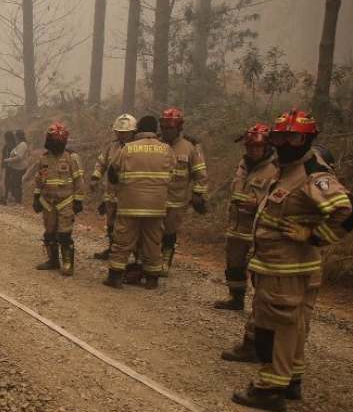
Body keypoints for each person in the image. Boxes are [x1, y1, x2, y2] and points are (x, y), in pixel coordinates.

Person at [226, 110, 353, 411]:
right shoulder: (284, 170)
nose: (285, 143)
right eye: (280, 136)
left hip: (286, 268)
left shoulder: (312, 174)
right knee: (294, 326)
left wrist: (314, 235)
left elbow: (349, 211)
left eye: (293, 137)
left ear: (307, 139)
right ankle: (291, 380)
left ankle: (269, 388)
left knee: (275, 328)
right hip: (284, 267)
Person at [102, 115, 175, 289]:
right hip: (156, 206)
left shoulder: (128, 148)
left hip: (130, 204)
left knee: (123, 240)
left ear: (138, 130)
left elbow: (112, 172)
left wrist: (119, 185)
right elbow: (172, 173)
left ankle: (115, 277)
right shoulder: (166, 149)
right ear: (155, 130)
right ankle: (152, 279)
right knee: (152, 241)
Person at [213, 124, 278, 311]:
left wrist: (257, 206)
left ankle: (261, 308)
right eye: (250, 147)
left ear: (266, 147)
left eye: (257, 148)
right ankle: (236, 298)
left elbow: (278, 202)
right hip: (236, 226)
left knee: (259, 271)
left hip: (258, 229)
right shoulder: (243, 166)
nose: (253, 151)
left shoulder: (275, 170)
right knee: (233, 265)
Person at [158, 107, 208, 274]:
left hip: (176, 200)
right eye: (164, 128)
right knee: (151, 231)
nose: (166, 131)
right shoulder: (155, 145)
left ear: (179, 127)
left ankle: (166, 258)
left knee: (170, 232)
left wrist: (198, 194)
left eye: (170, 128)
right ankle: (149, 260)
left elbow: (200, 174)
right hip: (154, 198)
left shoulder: (189, 148)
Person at [32, 122, 85, 276]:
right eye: (53, 141)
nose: (55, 144)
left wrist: (78, 200)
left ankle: (68, 264)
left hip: (66, 201)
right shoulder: (44, 159)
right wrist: (36, 197)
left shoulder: (72, 157)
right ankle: (53, 260)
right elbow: (39, 180)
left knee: (64, 234)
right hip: (47, 202)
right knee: (49, 233)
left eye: (58, 142)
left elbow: (79, 180)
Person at [90, 114, 138, 260]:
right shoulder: (111, 147)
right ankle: (112, 249)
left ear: (133, 132)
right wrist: (95, 177)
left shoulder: (137, 148)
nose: (122, 135)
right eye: (119, 132)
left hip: (130, 194)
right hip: (111, 194)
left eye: (125, 133)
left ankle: (136, 254)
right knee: (111, 223)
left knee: (130, 226)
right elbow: (101, 163)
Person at [2, 129, 29, 204]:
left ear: (18, 136)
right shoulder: (19, 144)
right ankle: (14, 199)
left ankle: (18, 201)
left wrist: (8, 160)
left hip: (20, 168)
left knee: (17, 184)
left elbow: (19, 157)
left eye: (16, 135)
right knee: (14, 183)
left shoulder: (23, 144)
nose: (15, 137)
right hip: (16, 167)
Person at [0, 131, 16, 203]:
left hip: (12, 167)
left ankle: (9, 196)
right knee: (6, 181)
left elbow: (15, 157)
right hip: (6, 166)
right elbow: (3, 157)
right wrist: (2, 166)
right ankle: (5, 196)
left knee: (10, 181)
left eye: (7, 139)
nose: (7, 140)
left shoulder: (14, 146)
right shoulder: (6, 146)